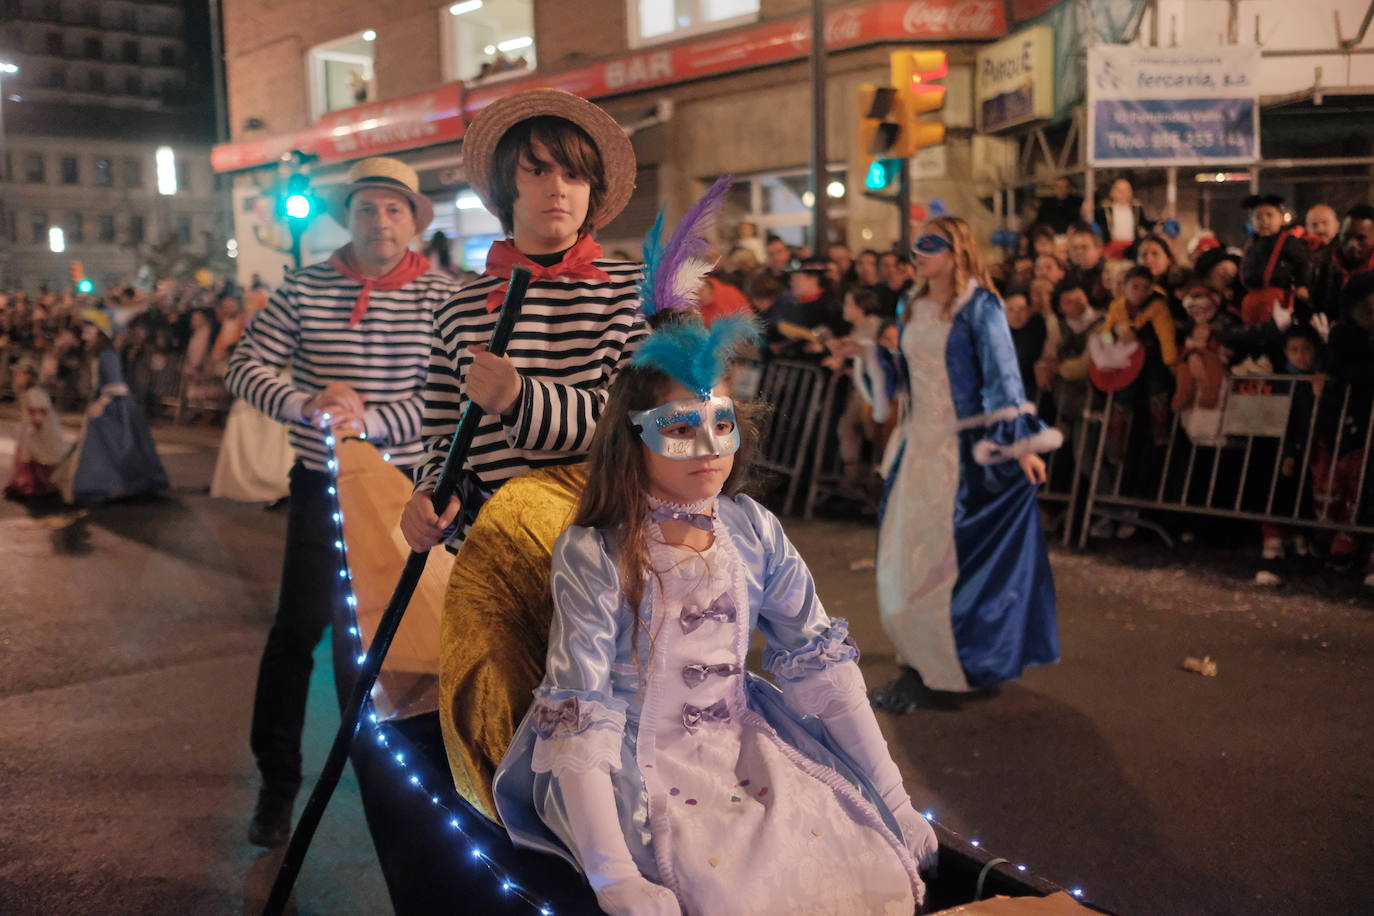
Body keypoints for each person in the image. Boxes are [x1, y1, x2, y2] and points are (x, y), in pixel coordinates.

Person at [492, 307, 937, 916]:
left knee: (857, 862)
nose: (707, 449)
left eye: (721, 423)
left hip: (741, 742)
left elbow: (822, 667)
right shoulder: (596, 549)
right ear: (635, 435)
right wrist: (612, 874)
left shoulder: (752, 526)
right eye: (679, 428)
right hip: (631, 769)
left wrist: (896, 799)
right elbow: (581, 707)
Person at [225, 155, 464, 847]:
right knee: (297, 631)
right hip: (322, 486)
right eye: (367, 208)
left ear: (414, 222)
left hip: (410, 489)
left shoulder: (444, 296)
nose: (380, 221)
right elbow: (245, 366)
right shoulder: (303, 288)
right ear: (350, 217)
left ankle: (432, 788)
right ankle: (277, 785)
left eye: (394, 209)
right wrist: (308, 404)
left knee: (421, 637)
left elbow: (452, 399)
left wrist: (373, 421)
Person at [402, 89, 647, 554]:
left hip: (613, 549)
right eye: (537, 171)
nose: (557, 187)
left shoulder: (640, 292)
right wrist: (431, 492)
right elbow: (442, 433)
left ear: (591, 188)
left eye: (574, 174)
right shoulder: (459, 307)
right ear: (504, 186)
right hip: (494, 553)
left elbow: (647, 424)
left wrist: (520, 399)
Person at [870, 217, 1061, 713]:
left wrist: (1022, 449)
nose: (918, 254)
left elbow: (1004, 380)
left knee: (940, 564)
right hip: (917, 450)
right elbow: (909, 377)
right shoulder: (909, 303)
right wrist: (870, 355)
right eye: (916, 246)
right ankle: (918, 662)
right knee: (903, 560)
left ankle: (942, 670)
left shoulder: (981, 305)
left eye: (930, 245)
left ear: (956, 250)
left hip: (960, 456)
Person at [54, 316, 169, 506]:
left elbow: (116, 383)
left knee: (108, 446)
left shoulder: (107, 354)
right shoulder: (98, 352)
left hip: (112, 408)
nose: (85, 333)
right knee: (105, 447)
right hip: (104, 404)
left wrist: (101, 403)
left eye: (90, 329)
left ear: (100, 332)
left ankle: (102, 485)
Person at [3, 359, 67, 499]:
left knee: (36, 457)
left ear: (28, 377)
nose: (16, 379)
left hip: (38, 433)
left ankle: (36, 487)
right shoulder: (29, 393)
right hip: (30, 432)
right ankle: (29, 485)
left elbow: (39, 412)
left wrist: (34, 427)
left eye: (19, 375)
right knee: (28, 458)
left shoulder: (34, 393)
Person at [1090, 177, 1153, 258]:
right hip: (1112, 247)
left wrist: (1159, 221)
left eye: (1127, 191)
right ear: (1112, 193)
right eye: (1120, 191)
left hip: (1132, 248)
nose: (1124, 194)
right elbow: (1095, 223)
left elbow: (1145, 223)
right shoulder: (1106, 210)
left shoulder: (1136, 209)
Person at [1065, 222, 1111, 309]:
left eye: (1084, 247)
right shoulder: (1070, 273)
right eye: (1075, 248)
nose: (1079, 252)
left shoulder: (1107, 273)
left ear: (1098, 249)